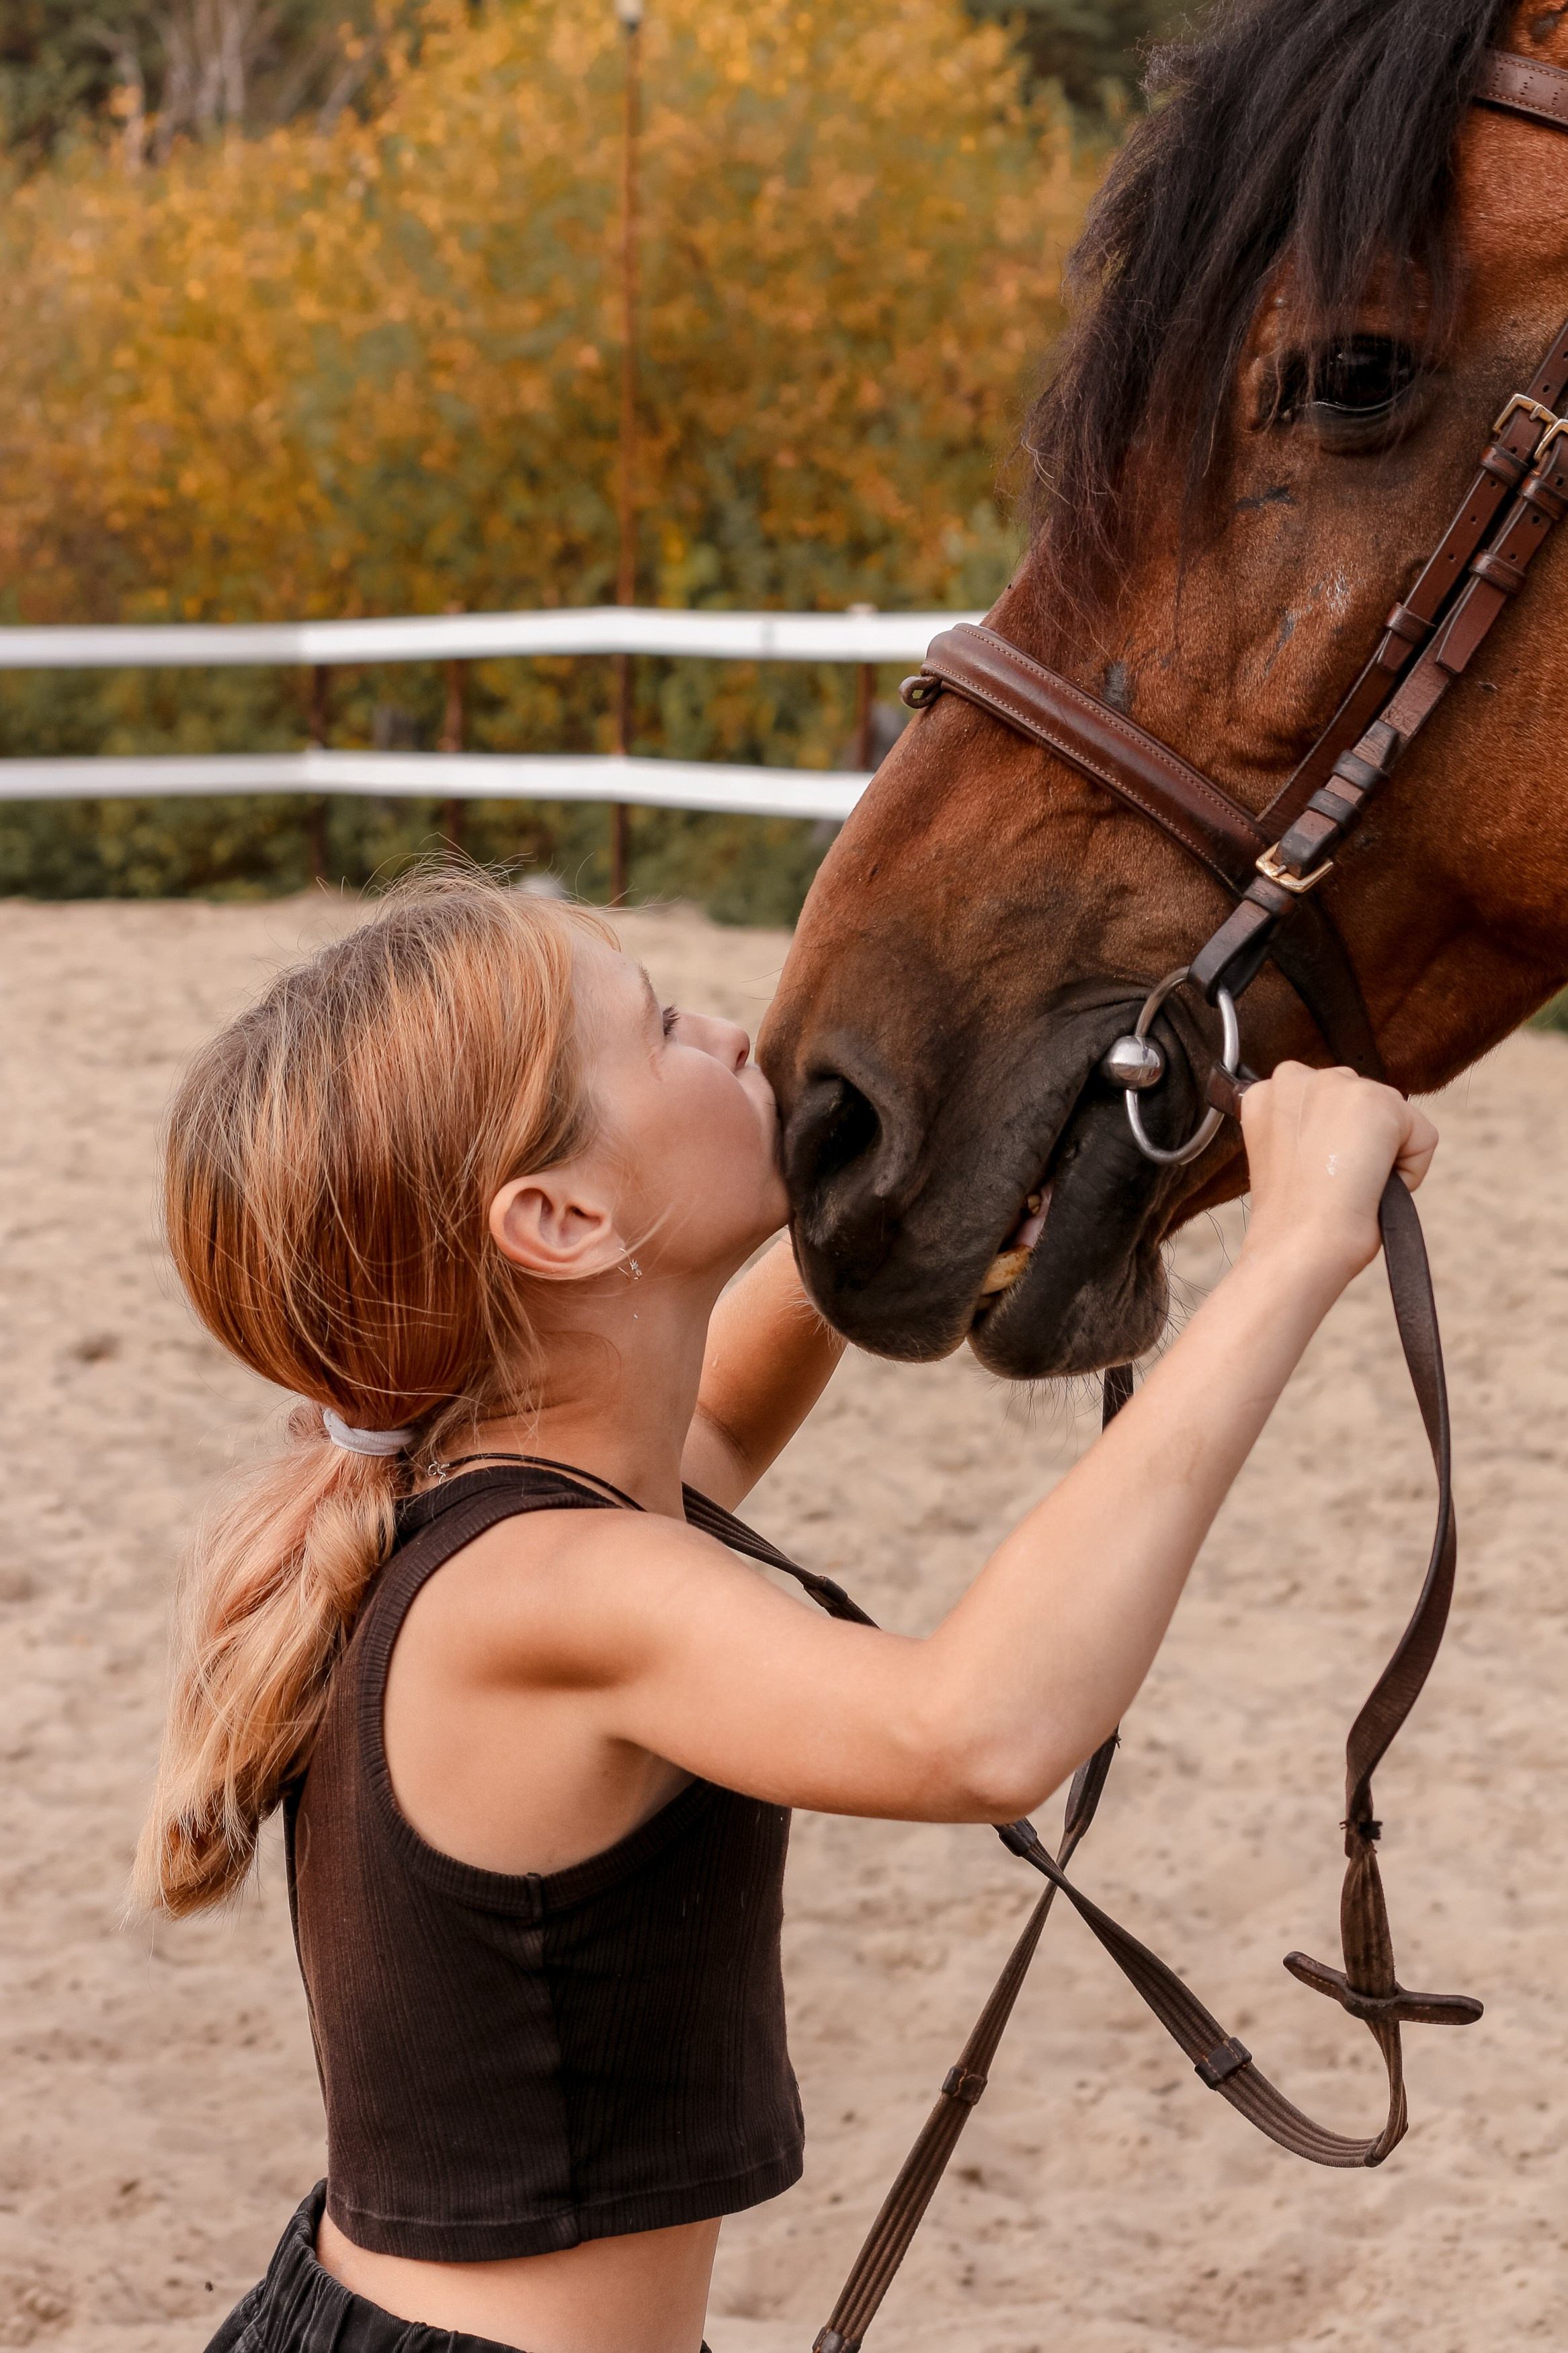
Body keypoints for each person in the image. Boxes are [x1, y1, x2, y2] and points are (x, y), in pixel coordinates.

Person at [136, 870, 1437, 2353]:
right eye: (662, 1029)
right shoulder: (550, 1594)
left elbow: (734, 1407)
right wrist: (1294, 1256)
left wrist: (974, 1153)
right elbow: (977, 1730)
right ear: (559, 1216)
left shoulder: (513, 1508)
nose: (737, 1034)